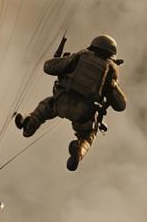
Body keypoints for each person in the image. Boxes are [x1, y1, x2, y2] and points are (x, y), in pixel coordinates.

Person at [14, 34, 127, 171]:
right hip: (84, 113)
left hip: (61, 101)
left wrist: (62, 60)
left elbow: (48, 67)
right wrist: (112, 86)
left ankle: (29, 123)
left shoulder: (81, 56)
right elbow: (121, 105)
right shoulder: (111, 70)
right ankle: (78, 150)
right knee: (88, 135)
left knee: (45, 107)